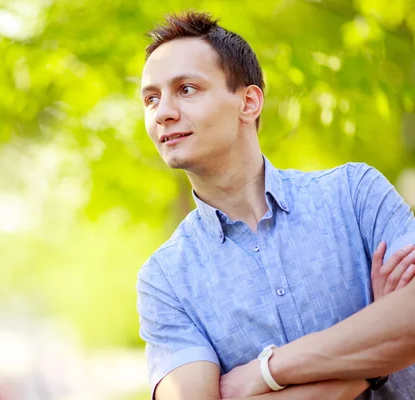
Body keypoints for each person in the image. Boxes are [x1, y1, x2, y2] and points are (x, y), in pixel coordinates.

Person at [136, 10, 415, 400]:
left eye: (186, 89)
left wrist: (264, 372)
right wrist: (375, 356)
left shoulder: (354, 194)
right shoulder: (165, 280)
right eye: (151, 98)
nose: (162, 112)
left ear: (248, 103)